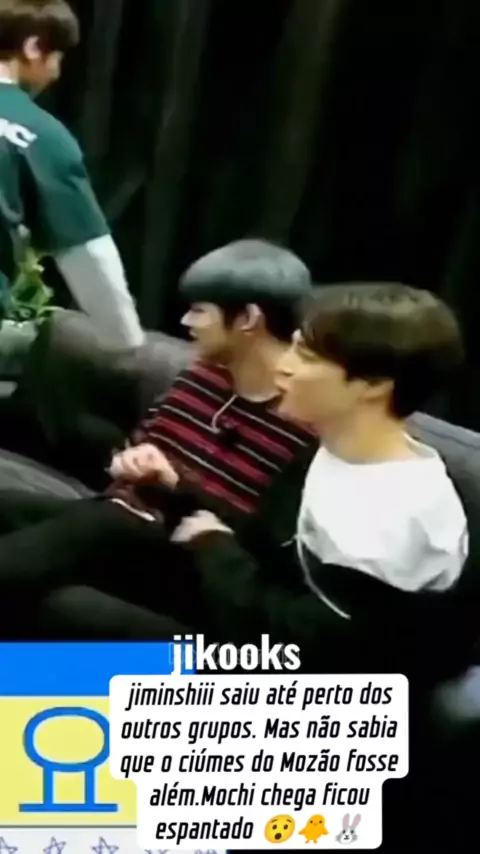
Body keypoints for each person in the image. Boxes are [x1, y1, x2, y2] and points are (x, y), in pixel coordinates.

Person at [0, 239, 317, 635]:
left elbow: (266, 543)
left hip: (199, 562)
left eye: (199, 310)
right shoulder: (203, 374)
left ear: (248, 318)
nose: (186, 322)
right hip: (124, 519)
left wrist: (175, 487)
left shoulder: (307, 419)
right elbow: (141, 448)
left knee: (108, 524)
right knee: (10, 506)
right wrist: (127, 460)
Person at [0, 0, 143, 349]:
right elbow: (90, 257)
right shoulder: (39, 134)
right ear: (33, 47)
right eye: (58, 58)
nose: (56, 73)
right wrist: (124, 337)